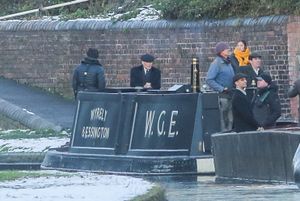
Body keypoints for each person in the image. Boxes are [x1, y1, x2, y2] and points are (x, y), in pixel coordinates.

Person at [206, 42, 235, 132]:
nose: (229, 50)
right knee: (224, 119)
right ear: (221, 52)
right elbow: (209, 79)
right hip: (223, 97)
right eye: (226, 49)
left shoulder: (228, 62)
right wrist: (221, 88)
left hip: (231, 95)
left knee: (231, 119)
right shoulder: (216, 63)